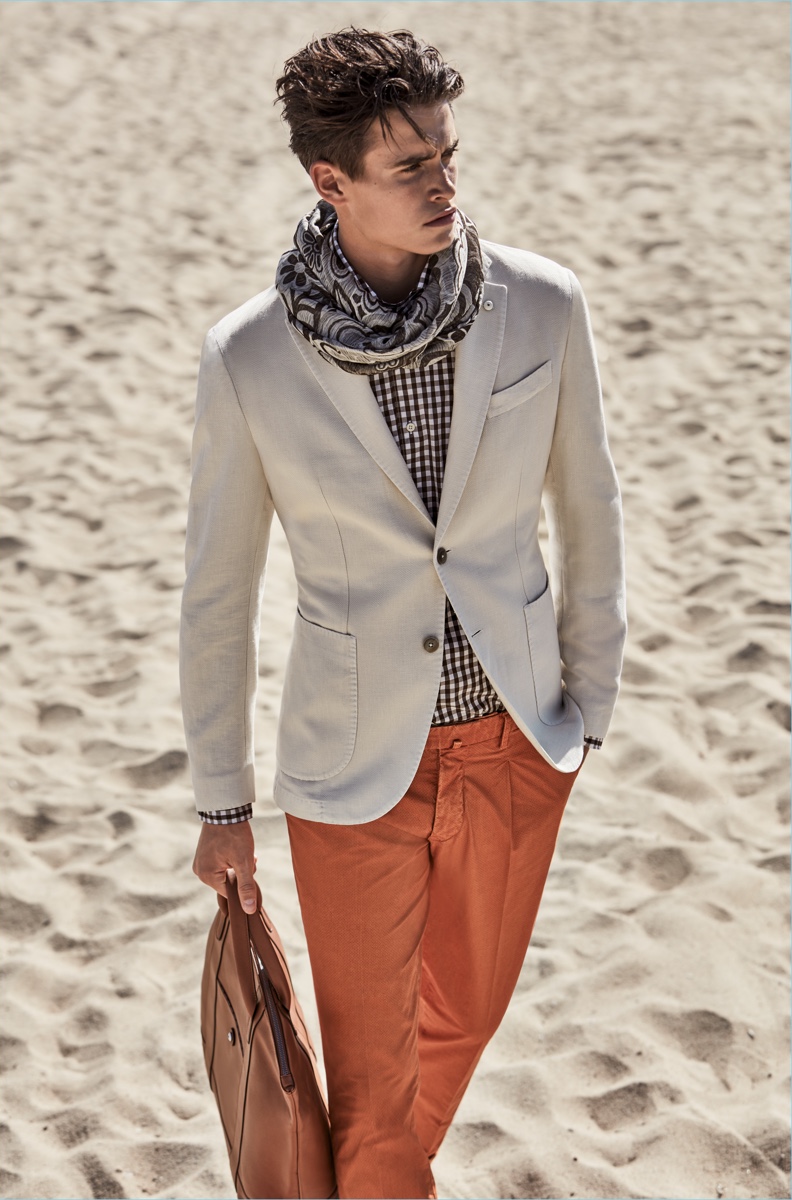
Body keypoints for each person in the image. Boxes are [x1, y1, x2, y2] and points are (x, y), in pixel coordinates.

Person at [180, 26, 626, 1200]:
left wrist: (587, 706)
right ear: (329, 182)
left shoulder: (539, 305)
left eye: (445, 154)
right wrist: (221, 803)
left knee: (464, 1019)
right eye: (409, 166)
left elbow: (589, 507)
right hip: (349, 761)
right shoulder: (249, 358)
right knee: (374, 1083)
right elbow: (217, 590)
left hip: (513, 737)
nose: (442, 184)